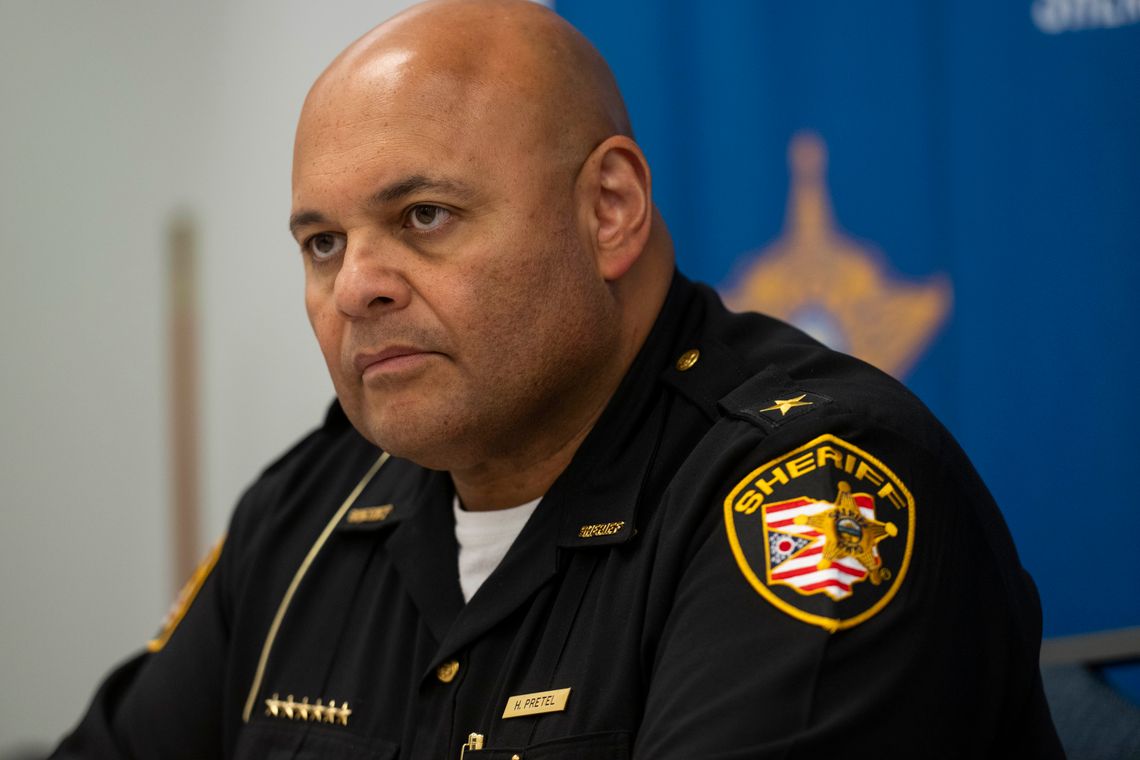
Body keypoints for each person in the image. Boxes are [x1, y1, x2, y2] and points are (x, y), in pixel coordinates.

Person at [52, 1, 1064, 757]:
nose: (356, 286)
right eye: (321, 242)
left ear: (611, 208)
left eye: (423, 218)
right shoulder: (307, 510)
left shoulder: (811, 488)